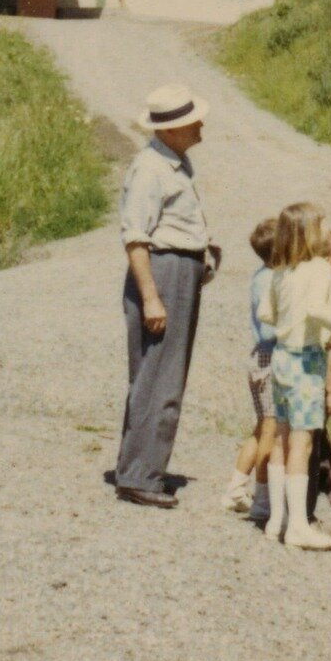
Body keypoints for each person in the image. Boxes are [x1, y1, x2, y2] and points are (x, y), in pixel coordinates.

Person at [114, 83, 222, 509]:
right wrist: (152, 297)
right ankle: (139, 475)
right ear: (172, 129)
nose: (201, 126)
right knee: (158, 375)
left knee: (161, 373)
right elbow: (136, 238)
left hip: (179, 271)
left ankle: (141, 467)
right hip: (163, 273)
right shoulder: (150, 169)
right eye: (193, 121)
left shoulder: (175, 163)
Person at [256, 201, 331, 551]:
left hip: (280, 357)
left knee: (280, 437)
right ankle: (298, 525)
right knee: (303, 440)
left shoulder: (280, 270)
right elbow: (318, 311)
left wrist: (286, 323)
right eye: (324, 225)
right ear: (311, 232)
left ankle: (275, 519)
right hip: (307, 360)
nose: (329, 231)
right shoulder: (321, 269)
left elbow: (266, 312)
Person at [223, 217, 280, 517]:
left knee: (261, 428)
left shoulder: (262, 275)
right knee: (271, 429)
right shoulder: (270, 281)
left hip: (259, 358)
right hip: (269, 359)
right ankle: (263, 497)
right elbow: (270, 329)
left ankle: (236, 488)